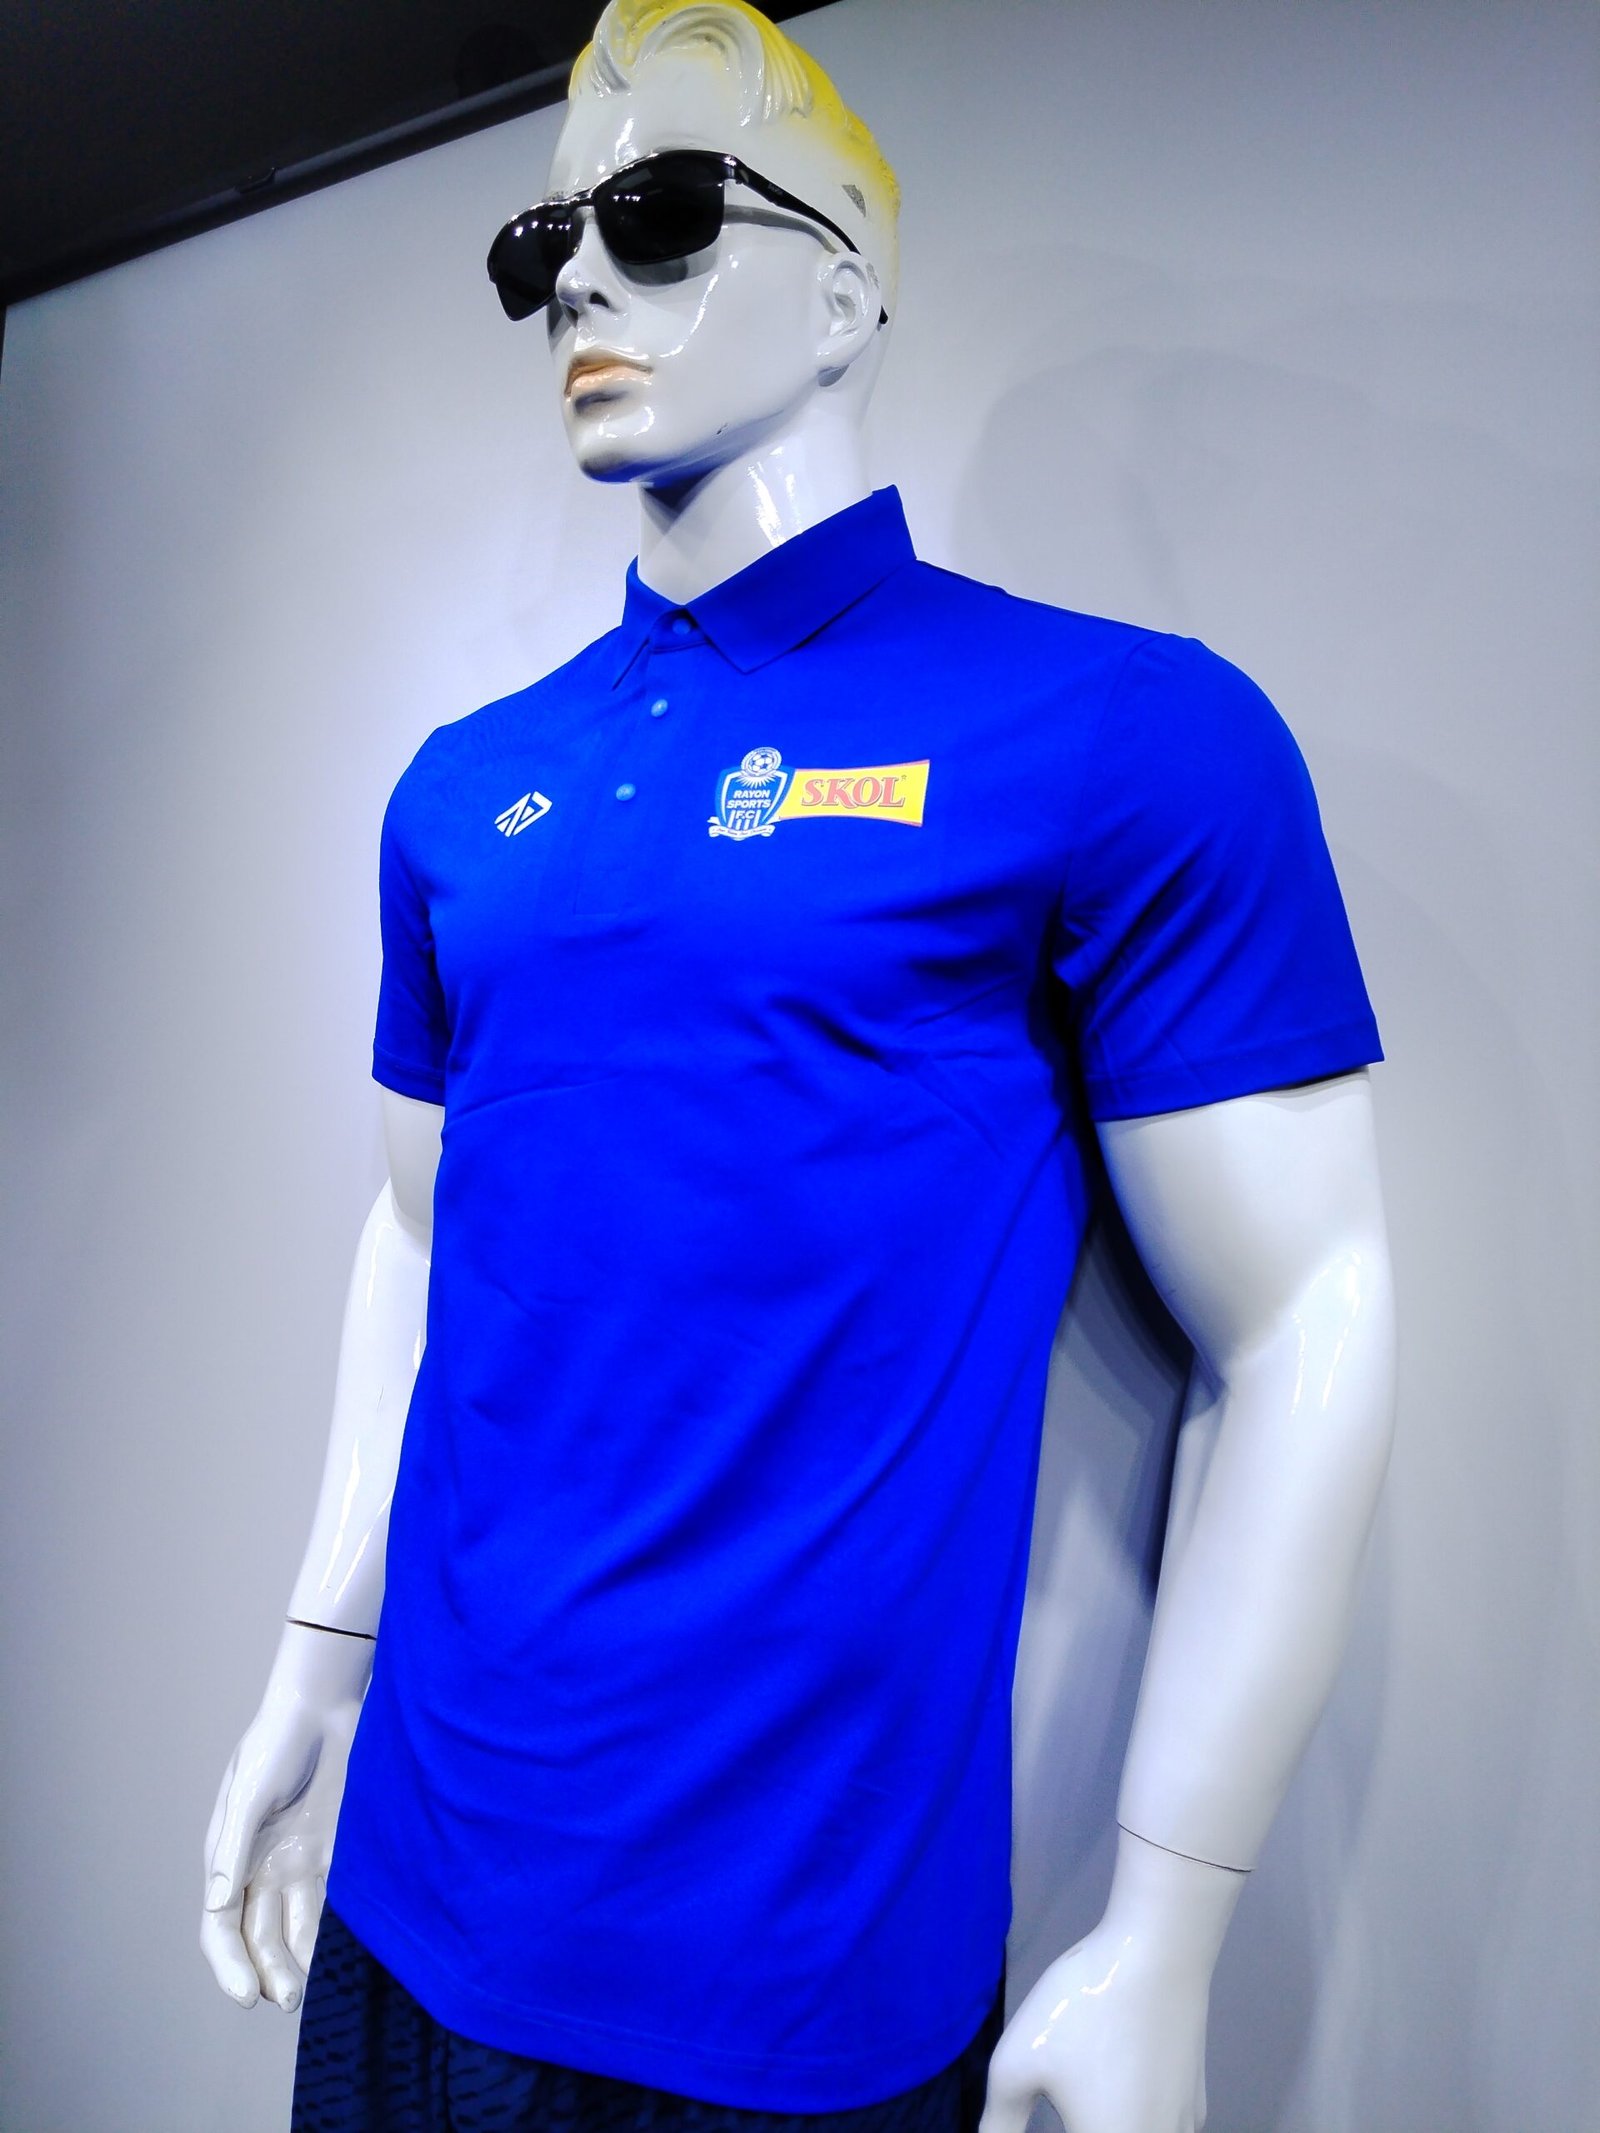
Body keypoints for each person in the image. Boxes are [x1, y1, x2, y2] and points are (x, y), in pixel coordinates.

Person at [200, 5, 1396, 2130]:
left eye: (659, 213)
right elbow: (418, 1238)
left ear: (845, 288)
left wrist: (1165, 1930)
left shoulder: (1120, 737)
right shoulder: (464, 788)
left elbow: (1307, 1309)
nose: (580, 278)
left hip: (784, 1991)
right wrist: (317, 1657)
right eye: (545, 241)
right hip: (406, 1893)